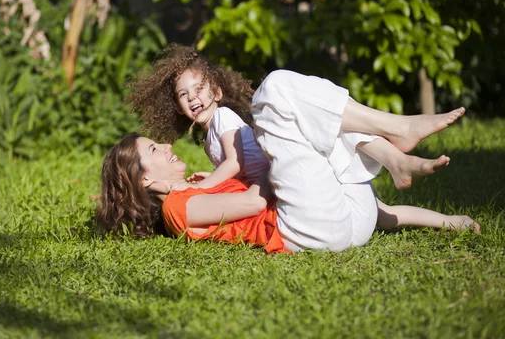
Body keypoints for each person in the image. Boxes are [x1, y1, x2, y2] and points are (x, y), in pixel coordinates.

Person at [97, 69, 479, 253]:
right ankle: (397, 135)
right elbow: (255, 202)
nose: (164, 147)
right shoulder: (177, 208)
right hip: (308, 230)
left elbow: (380, 212)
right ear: (144, 181)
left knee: (312, 115)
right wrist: (268, 157)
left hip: (347, 222)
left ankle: (395, 154)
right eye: (153, 151)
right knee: (275, 91)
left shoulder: (192, 192)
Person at [128, 44, 269, 188]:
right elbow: (238, 174)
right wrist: (212, 178)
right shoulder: (208, 143)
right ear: (179, 108)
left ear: (217, 93)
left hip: (271, 179)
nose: (191, 97)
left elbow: (235, 163)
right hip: (257, 186)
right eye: (183, 94)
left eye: (199, 88)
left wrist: (198, 188)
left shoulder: (223, 116)